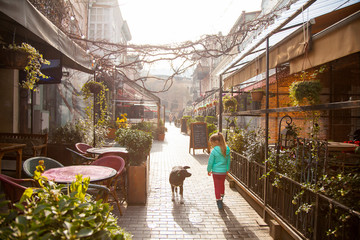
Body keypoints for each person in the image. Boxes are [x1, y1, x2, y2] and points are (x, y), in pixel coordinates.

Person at [207, 132, 231, 210]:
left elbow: (210, 162)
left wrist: (209, 170)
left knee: (216, 186)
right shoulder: (226, 149)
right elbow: (228, 161)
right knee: (222, 184)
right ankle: (222, 196)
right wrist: (227, 169)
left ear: (216, 142)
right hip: (223, 171)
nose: (212, 144)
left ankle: (219, 201)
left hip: (216, 172)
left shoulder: (214, 151)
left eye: (212, 143)